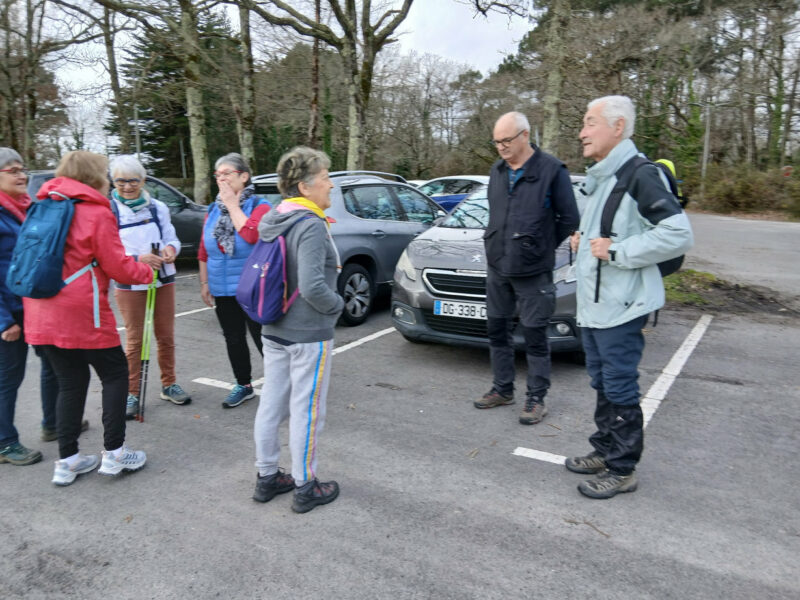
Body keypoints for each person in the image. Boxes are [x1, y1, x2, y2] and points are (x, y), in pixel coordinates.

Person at [566, 95, 693, 499]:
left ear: (618, 127)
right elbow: (607, 233)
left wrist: (617, 251)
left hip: (621, 306)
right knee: (602, 381)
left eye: (590, 123)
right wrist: (582, 241)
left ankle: (622, 469)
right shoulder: (604, 177)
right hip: (595, 305)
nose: (582, 133)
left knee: (619, 386)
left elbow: (677, 234)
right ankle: (604, 450)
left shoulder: (640, 174)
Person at [23, 150, 157, 486]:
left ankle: (67, 461)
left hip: (40, 309)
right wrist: (146, 272)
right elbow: (117, 265)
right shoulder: (94, 211)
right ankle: (115, 453)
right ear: (95, 176)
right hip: (81, 312)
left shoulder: (42, 205)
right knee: (114, 374)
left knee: (69, 382)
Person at [252, 146, 344, 514]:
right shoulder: (310, 224)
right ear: (305, 187)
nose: (331, 185)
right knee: (307, 411)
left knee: (271, 405)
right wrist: (338, 306)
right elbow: (312, 286)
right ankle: (306, 486)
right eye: (325, 178)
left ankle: (267, 476)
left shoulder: (275, 217)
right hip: (307, 333)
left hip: (273, 326)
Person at [475, 112, 580, 426]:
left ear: (525, 135)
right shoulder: (497, 171)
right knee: (497, 330)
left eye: (506, 140)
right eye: (496, 142)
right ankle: (502, 389)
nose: (501, 147)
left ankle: (536, 398)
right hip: (498, 265)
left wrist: (541, 247)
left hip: (533, 270)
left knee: (535, 335)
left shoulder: (552, 170)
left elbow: (569, 219)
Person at [109, 155, 191, 419]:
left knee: (165, 336)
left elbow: (171, 238)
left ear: (143, 180)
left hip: (162, 278)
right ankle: (132, 393)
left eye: (133, 181)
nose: (127, 186)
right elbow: (109, 251)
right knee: (135, 340)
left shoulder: (157, 207)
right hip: (129, 282)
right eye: (121, 181)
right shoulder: (109, 211)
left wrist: (171, 250)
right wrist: (138, 259)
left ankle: (169, 384)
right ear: (114, 181)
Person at [199, 153, 272, 408]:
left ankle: (282, 385)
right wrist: (205, 283)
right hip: (222, 287)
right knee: (233, 338)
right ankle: (243, 384)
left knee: (264, 338)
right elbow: (203, 249)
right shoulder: (213, 209)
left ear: (244, 176)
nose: (221, 178)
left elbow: (251, 235)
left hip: (253, 286)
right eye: (217, 175)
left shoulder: (261, 206)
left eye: (227, 173)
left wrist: (232, 204)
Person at [0, 147, 44, 465]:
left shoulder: (25, 208)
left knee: (54, 363)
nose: (21, 175)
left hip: (33, 304)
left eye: (22, 169)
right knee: (8, 378)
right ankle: (5, 443)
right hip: (9, 310)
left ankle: (54, 422)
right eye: (12, 170)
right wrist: (4, 321)